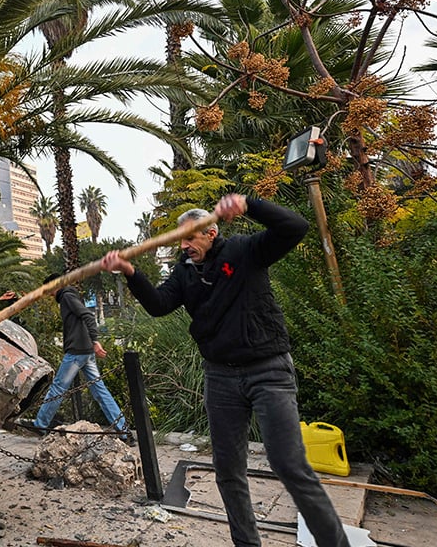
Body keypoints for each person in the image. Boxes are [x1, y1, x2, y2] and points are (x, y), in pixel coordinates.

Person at [101, 194, 350, 547]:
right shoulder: (184, 273)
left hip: (269, 370)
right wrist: (130, 272)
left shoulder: (245, 251)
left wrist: (250, 204)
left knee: (288, 464)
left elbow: (297, 227)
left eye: (191, 238)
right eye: (181, 240)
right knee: (228, 472)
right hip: (220, 376)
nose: (185, 245)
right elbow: (158, 305)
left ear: (212, 233)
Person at [17, 273, 130, 443]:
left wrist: (96, 340)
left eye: (48, 290)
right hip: (86, 352)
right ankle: (123, 431)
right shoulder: (71, 295)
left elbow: (88, 316)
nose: (49, 294)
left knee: (58, 388)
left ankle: (40, 425)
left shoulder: (67, 296)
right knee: (100, 391)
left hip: (77, 352)